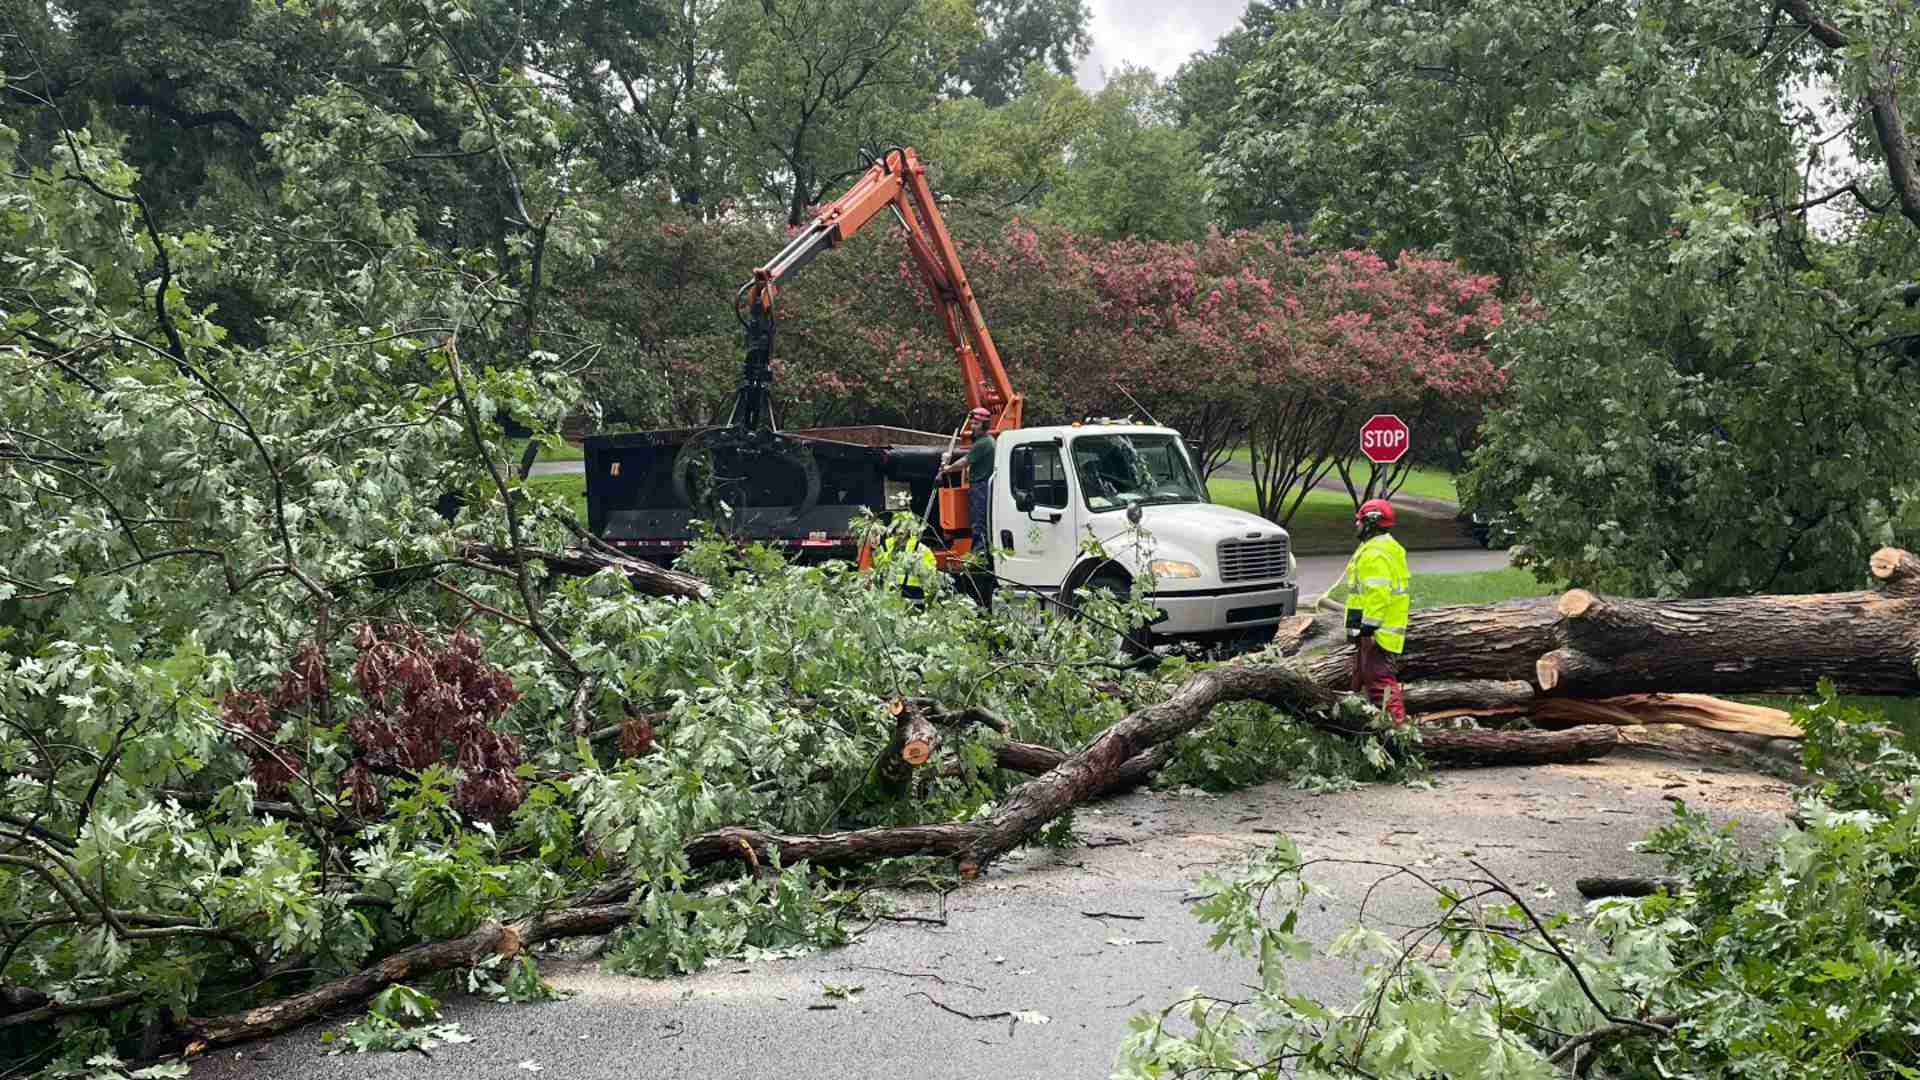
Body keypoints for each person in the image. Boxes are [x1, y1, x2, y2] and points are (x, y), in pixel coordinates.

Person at [1342, 498, 1410, 724]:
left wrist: (1367, 630)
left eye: (1359, 521)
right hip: (1370, 630)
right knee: (1360, 680)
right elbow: (1358, 595)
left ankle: (1399, 734)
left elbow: (1377, 595)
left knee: (1380, 682)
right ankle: (1361, 728)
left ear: (1370, 523)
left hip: (1377, 633)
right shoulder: (1379, 548)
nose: (1356, 525)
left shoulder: (1375, 553)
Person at [940, 407, 996, 563]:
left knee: (979, 521)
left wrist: (948, 469)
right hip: (982, 486)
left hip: (980, 486)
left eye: (976, 424)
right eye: (972, 423)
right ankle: (980, 552)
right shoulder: (987, 442)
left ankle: (979, 554)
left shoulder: (984, 443)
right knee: (980, 520)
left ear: (984, 425)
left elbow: (965, 461)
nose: (972, 427)